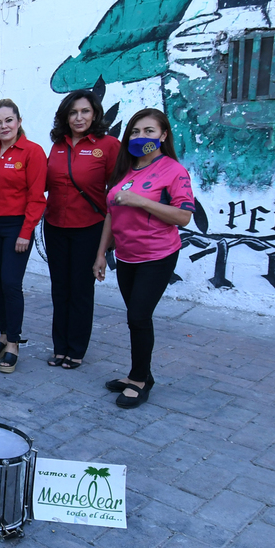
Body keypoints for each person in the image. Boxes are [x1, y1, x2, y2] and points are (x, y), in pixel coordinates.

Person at [94, 108, 194, 409]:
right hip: (126, 256)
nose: (141, 137)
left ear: (163, 135)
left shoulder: (173, 171)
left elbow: (184, 216)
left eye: (149, 131)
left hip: (157, 255)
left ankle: (139, 380)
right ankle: (140, 374)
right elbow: (112, 214)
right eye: (135, 132)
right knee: (135, 318)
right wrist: (101, 253)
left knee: (138, 317)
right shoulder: (124, 169)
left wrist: (140, 200)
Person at [44, 90, 119, 370]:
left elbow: (117, 192)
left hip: (89, 228)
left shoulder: (109, 146)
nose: (79, 118)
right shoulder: (58, 146)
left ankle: (76, 349)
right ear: (65, 116)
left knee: (81, 290)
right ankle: (59, 347)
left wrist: (110, 240)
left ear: (95, 114)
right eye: (73, 112)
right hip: (55, 227)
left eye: (85, 111)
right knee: (59, 289)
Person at [0, 99, 47, 373]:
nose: (3, 126)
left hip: (17, 226)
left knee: (11, 283)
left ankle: (14, 343)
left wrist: (26, 232)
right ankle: (3, 334)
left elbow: (37, 197)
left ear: (18, 121)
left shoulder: (32, 152)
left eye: (8, 120)